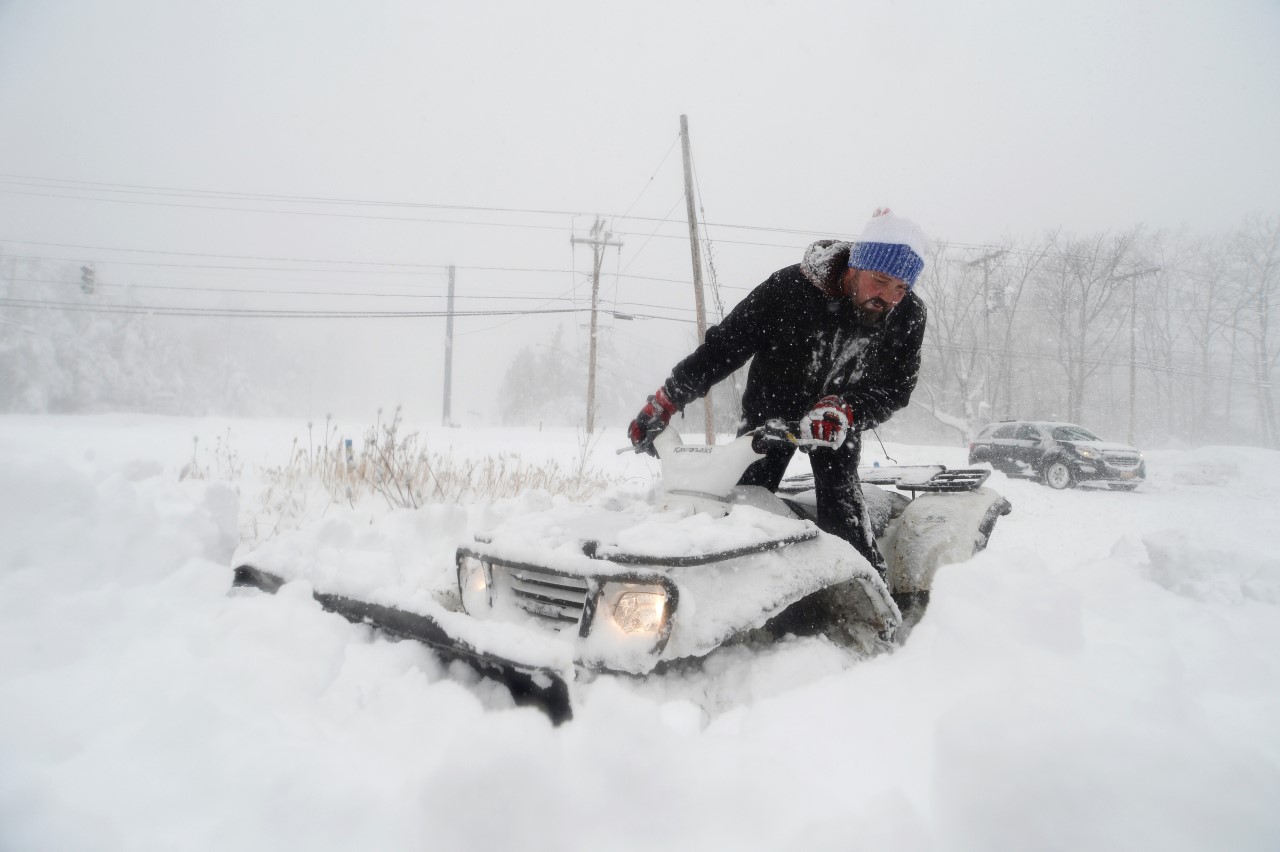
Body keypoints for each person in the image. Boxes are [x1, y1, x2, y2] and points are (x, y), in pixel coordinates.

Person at [628, 209, 928, 576]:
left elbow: (897, 388)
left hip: (835, 425)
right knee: (743, 513)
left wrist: (848, 410)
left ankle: (866, 598)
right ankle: (736, 589)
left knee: (844, 523)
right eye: (880, 281)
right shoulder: (790, 289)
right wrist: (667, 399)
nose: (888, 298)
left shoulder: (908, 314)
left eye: (900, 288)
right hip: (768, 420)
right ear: (855, 266)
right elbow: (724, 348)